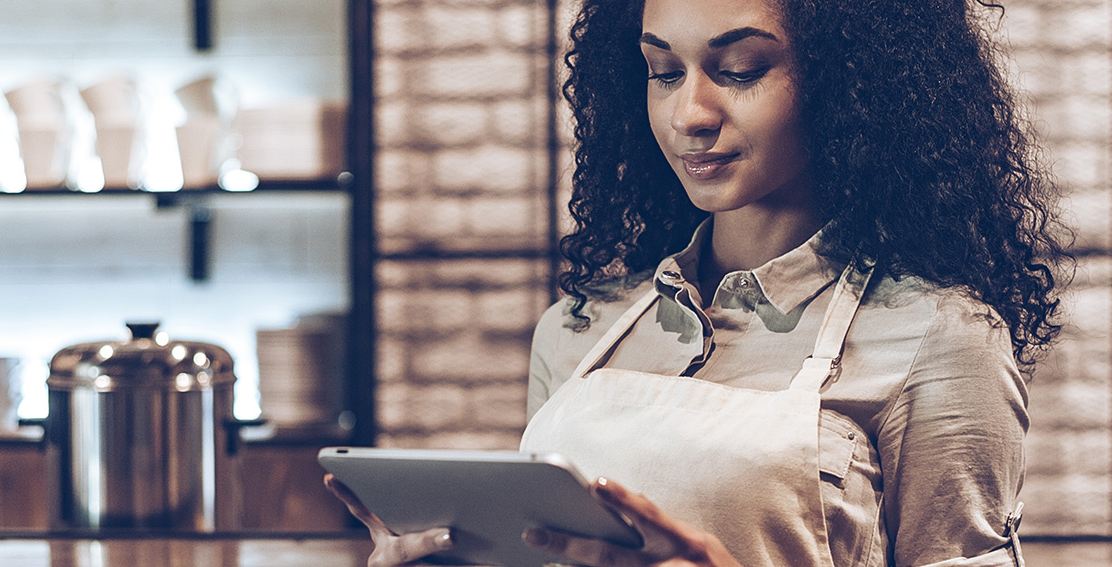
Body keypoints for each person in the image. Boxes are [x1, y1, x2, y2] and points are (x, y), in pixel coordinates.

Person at [325, 0, 1065, 565]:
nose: (690, 114)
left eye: (739, 70)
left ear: (851, 80)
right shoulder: (579, 330)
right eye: (664, 72)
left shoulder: (939, 338)